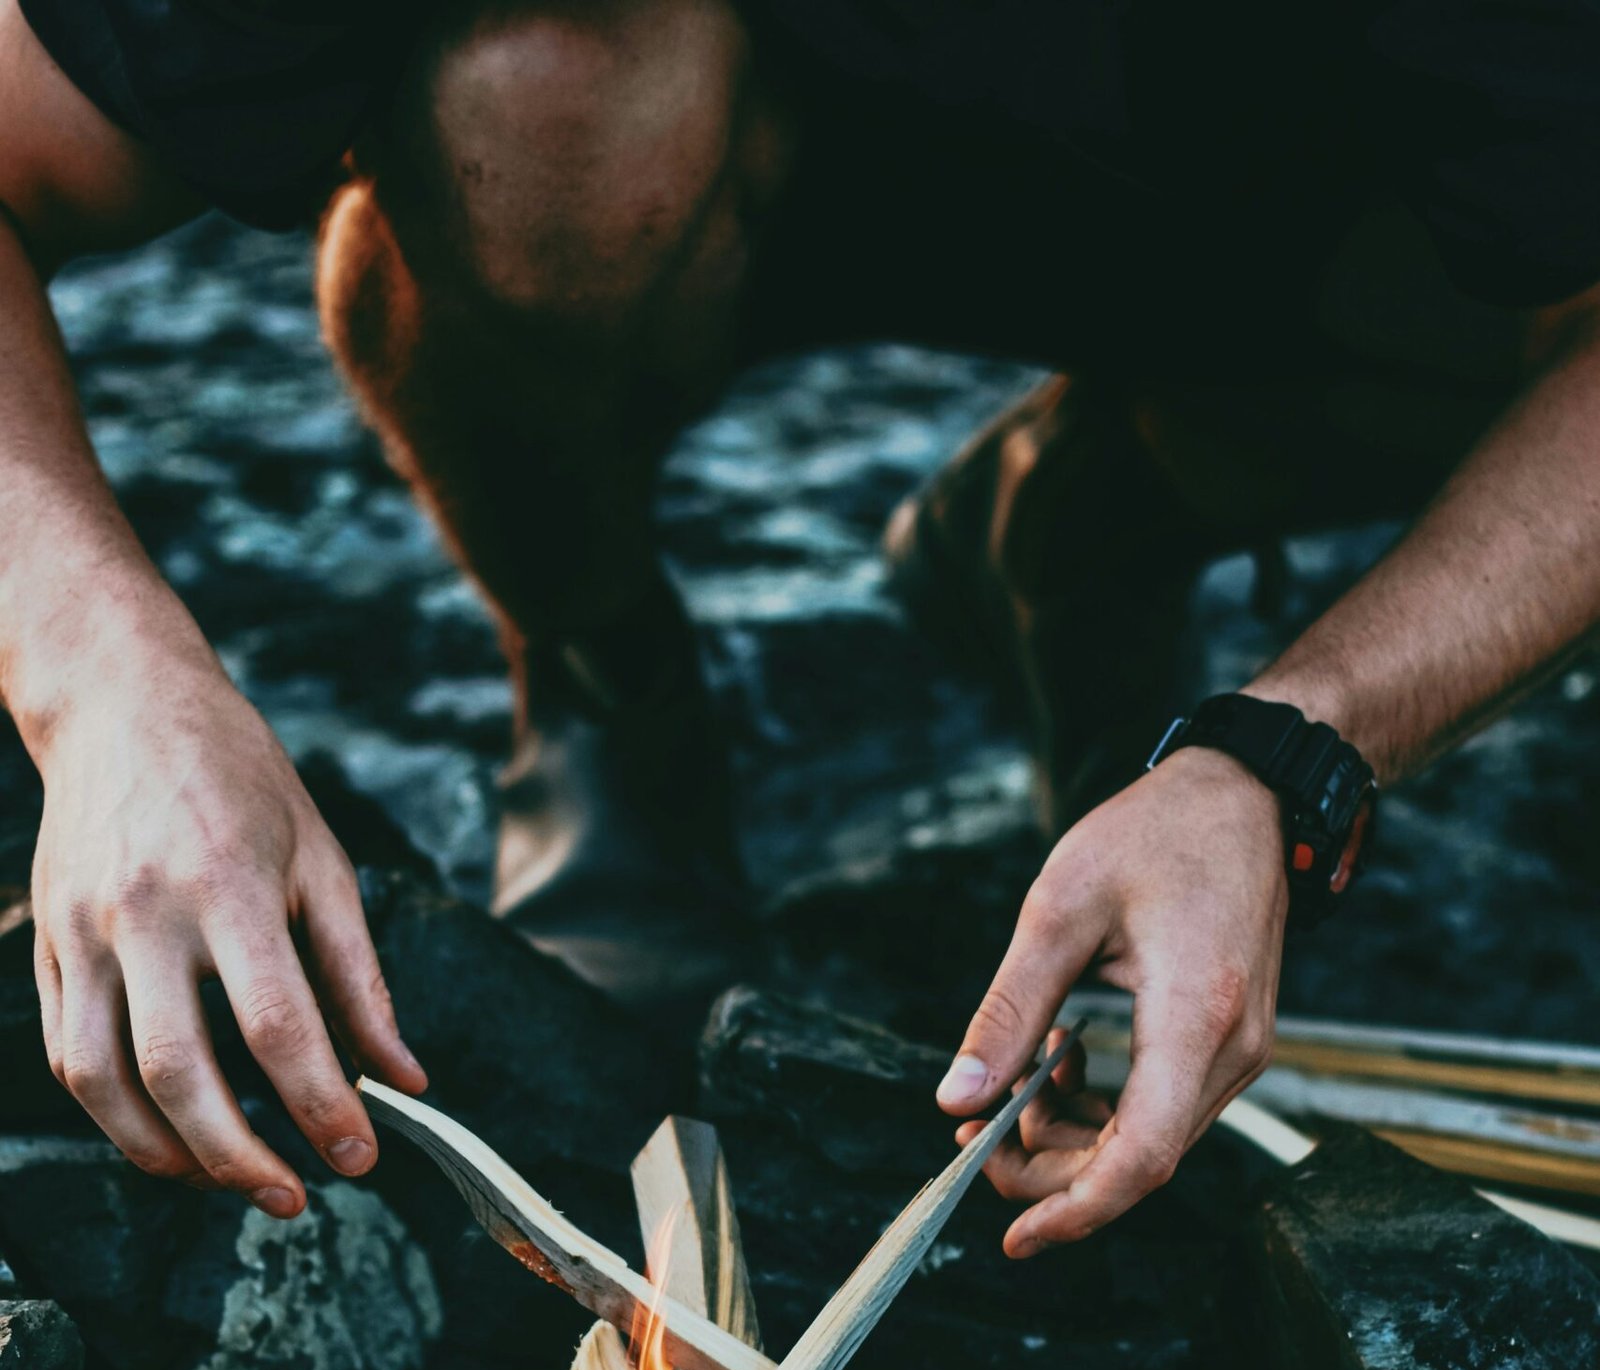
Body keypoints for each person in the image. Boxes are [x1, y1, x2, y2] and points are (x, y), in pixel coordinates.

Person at [5, 0, 1600, 1254]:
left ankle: (1096, 516)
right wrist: (100, 678)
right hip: (731, 158)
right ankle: (602, 674)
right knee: (531, 90)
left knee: (1534, 266)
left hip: (1281, 209)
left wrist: (1289, 747)